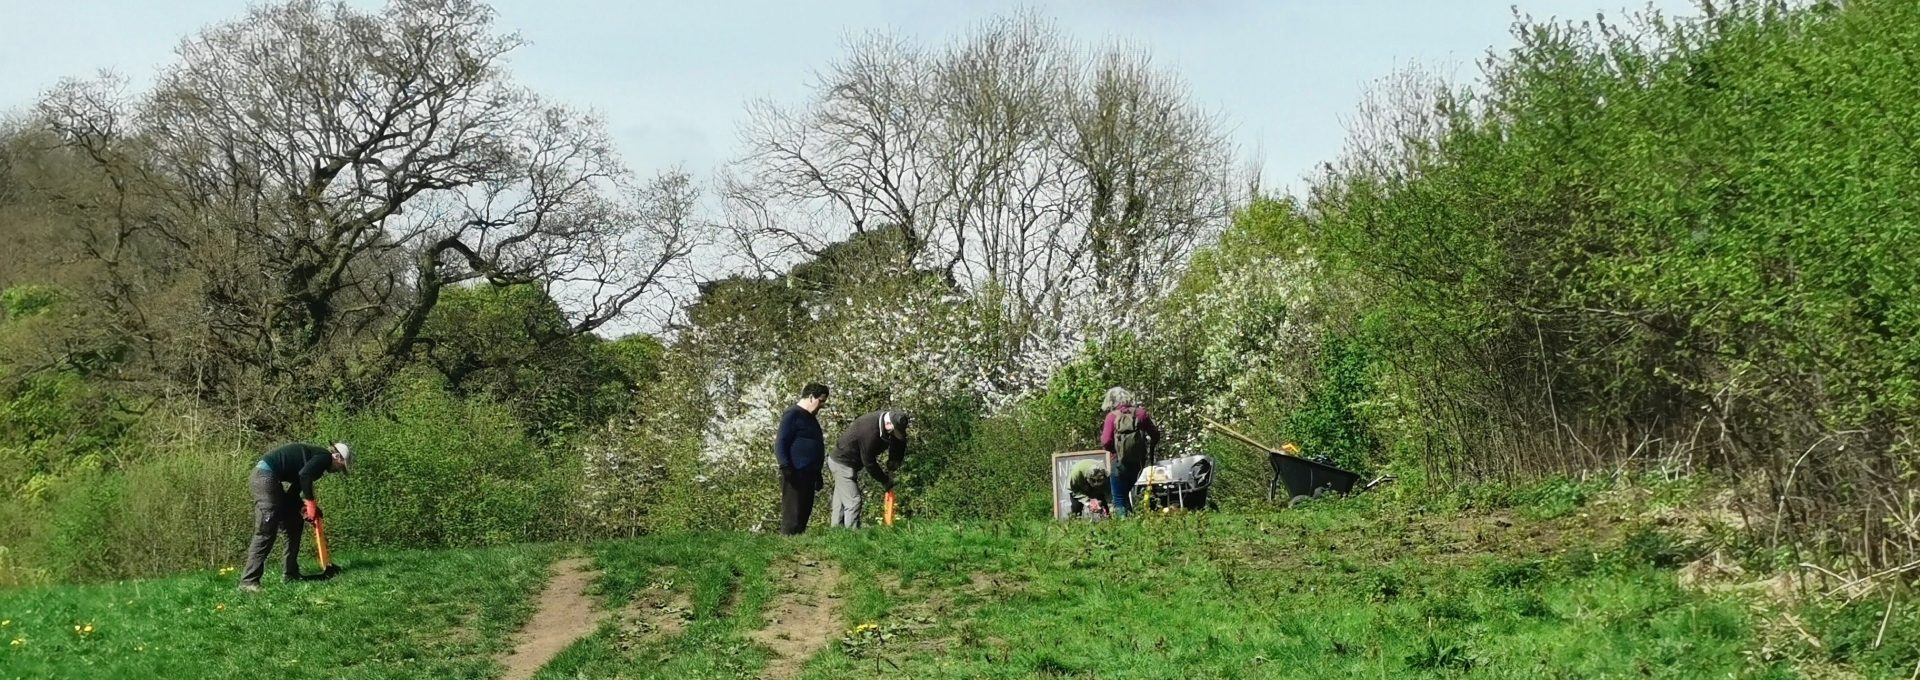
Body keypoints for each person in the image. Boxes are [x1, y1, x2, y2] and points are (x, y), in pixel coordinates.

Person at [240, 441, 352, 592]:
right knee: (265, 532)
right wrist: (310, 504)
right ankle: (248, 583)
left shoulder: (315, 464)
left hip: (272, 480)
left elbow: (293, 494)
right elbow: (304, 475)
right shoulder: (324, 457)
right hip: (264, 477)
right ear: (337, 457)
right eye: (341, 466)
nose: (339, 471)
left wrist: (305, 508)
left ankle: (291, 574)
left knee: (294, 523)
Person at [828, 409, 910, 528]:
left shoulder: (890, 420)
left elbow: (899, 440)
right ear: (888, 424)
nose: (894, 433)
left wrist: (895, 460)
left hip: (846, 463)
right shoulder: (869, 431)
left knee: (841, 501)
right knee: (853, 501)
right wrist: (884, 480)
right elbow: (869, 462)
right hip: (842, 463)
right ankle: (852, 537)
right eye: (894, 430)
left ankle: (836, 532)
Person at [773, 383, 830, 536]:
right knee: (793, 516)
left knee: (803, 515)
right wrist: (785, 466)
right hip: (794, 472)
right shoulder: (793, 414)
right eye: (821, 401)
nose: (822, 406)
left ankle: (798, 549)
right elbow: (781, 442)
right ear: (811, 397)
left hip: (809, 474)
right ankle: (787, 550)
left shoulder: (811, 419)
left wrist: (817, 473)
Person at [1098, 387, 1161, 518]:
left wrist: (1116, 451)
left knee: (1119, 497)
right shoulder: (1141, 414)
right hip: (1139, 462)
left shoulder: (1112, 417)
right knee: (1136, 493)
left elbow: (1105, 441)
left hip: (1118, 462)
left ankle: (1124, 526)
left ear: (1111, 401)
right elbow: (1155, 435)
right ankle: (1141, 520)